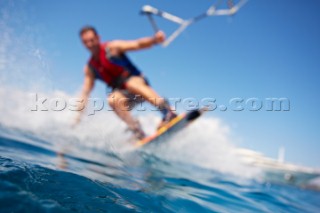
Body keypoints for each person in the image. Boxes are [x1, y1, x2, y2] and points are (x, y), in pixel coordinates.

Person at [74, 26, 177, 139]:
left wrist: (154, 40)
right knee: (112, 99)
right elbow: (85, 93)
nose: (89, 44)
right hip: (126, 95)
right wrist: (77, 118)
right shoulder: (90, 68)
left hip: (139, 85)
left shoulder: (112, 47)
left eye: (92, 40)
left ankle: (167, 112)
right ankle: (137, 131)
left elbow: (137, 44)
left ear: (98, 38)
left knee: (130, 83)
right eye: (85, 42)